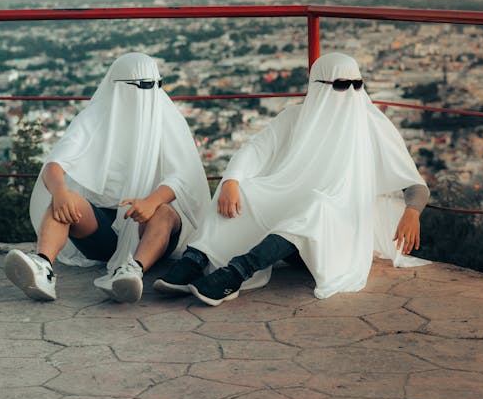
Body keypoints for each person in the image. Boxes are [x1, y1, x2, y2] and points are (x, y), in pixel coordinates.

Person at [156, 51, 430, 306]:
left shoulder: (373, 125)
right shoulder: (295, 117)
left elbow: (414, 183)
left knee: (317, 206)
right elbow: (255, 149)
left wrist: (412, 212)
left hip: (336, 234)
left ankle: (235, 274)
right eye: (340, 85)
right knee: (244, 189)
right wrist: (230, 181)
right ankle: (196, 259)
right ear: (319, 85)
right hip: (289, 228)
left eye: (357, 85)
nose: (350, 92)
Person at [4, 52, 210, 304]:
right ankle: (43, 266)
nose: (150, 92)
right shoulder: (94, 118)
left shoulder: (168, 120)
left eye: (156, 84)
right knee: (66, 199)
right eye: (143, 86)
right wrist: (59, 193)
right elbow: (54, 165)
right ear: (119, 86)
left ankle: (132, 270)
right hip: (101, 229)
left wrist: (151, 201)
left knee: (164, 213)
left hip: (150, 228)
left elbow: (184, 176)